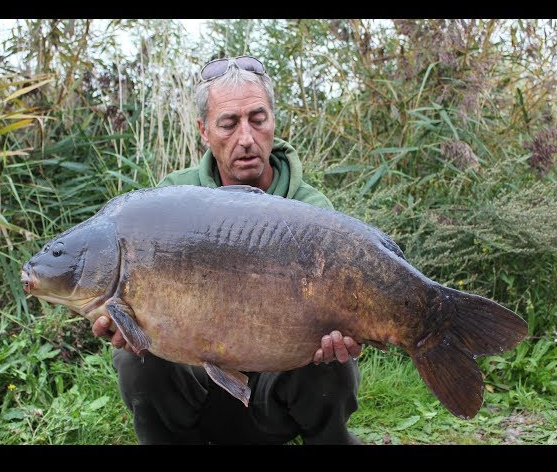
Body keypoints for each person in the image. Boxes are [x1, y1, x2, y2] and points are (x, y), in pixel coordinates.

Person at [92, 56, 364, 445]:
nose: (247, 138)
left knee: (334, 361)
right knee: (135, 356)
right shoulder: (170, 201)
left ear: (273, 121)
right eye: (229, 124)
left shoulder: (310, 210)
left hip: (277, 395)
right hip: (198, 393)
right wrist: (125, 322)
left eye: (258, 119)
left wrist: (347, 332)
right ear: (204, 131)